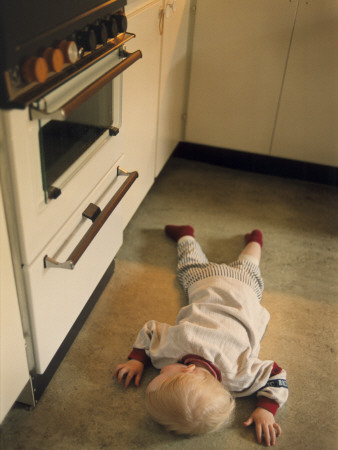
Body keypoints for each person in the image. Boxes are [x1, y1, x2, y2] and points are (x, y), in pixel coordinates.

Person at [114, 225, 288, 446]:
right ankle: (187, 235)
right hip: (207, 281)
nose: (159, 370)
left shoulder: (238, 375)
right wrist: (137, 359)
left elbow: (275, 374)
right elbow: (150, 330)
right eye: (160, 376)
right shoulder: (179, 345)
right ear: (188, 369)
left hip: (247, 288)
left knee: (251, 262)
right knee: (190, 262)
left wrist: (266, 408)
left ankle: (255, 242)